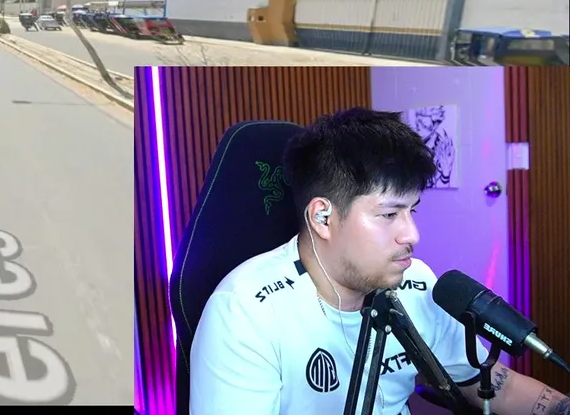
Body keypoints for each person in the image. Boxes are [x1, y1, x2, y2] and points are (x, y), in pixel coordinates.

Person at [190, 107, 568, 415]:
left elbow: (496, 387)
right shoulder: (245, 312)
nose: (412, 235)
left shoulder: (416, 282)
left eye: (411, 211)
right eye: (389, 214)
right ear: (322, 217)